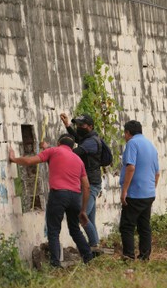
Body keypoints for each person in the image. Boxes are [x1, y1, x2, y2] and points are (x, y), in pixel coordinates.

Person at [9, 133, 94, 267]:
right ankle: (89, 258)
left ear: (59, 143)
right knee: (75, 230)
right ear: (72, 147)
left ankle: (55, 264)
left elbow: (29, 161)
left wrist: (14, 159)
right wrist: (83, 210)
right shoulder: (78, 160)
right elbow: (87, 186)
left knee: (54, 230)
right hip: (75, 197)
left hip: (59, 194)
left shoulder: (53, 151)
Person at [60, 113, 102, 252]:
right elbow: (78, 138)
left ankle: (94, 245)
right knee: (89, 217)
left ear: (90, 127)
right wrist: (67, 125)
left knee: (81, 216)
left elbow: (74, 153)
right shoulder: (87, 139)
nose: (78, 127)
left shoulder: (91, 142)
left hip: (90, 185)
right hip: (88, 183)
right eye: (77, 124)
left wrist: (54, 151)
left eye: (81, 125)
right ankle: (95, 246)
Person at [119, 120, 160, 261]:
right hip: (148, 193)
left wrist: (124, 191)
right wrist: (150, 189)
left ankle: (129, 256)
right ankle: (144, 256)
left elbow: (131, 167)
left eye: (124, 133)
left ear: (128, 133)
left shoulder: (132, 143)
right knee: (144, 226)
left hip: (135, 193)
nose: (124, 136)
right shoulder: (151, 146)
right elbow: (157, 173)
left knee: (127, 226)